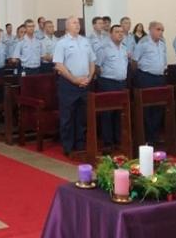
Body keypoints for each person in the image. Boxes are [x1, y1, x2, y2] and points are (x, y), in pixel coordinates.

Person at [53, 16, 96, 156]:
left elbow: (92, 61)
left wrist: (89, 77)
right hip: (68, 84)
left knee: (82, 116)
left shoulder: (85, 41)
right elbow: (59, 65)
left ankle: (80, 143)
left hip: (84, 83)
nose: (77, 25)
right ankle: (68, 146)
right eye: (74, 22)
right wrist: (74, 79)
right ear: (67, 27)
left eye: (78, 22)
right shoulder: (62, 43)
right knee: (68, 116)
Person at [132, 21, 168, 143]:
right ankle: (147, 137)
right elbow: (134, 62)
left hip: (160, 78)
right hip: (146, 78)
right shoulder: (143, 43)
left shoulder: (162, 44)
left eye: (162, 30)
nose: (161, 32)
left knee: (158, 107)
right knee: (147, 109)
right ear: (151, 30)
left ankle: (155, 135)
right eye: (158, 29)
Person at [95, 25, 129, 150]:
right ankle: (108, 142)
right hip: (108, 83)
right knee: (107, 113)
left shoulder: (124, 48)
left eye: (121, 32)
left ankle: (118, 140)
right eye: (117, 32)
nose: (120, 34)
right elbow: (97, 67)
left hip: (121, 83)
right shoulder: (104, 49)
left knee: (119, 113)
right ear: (110, 34)